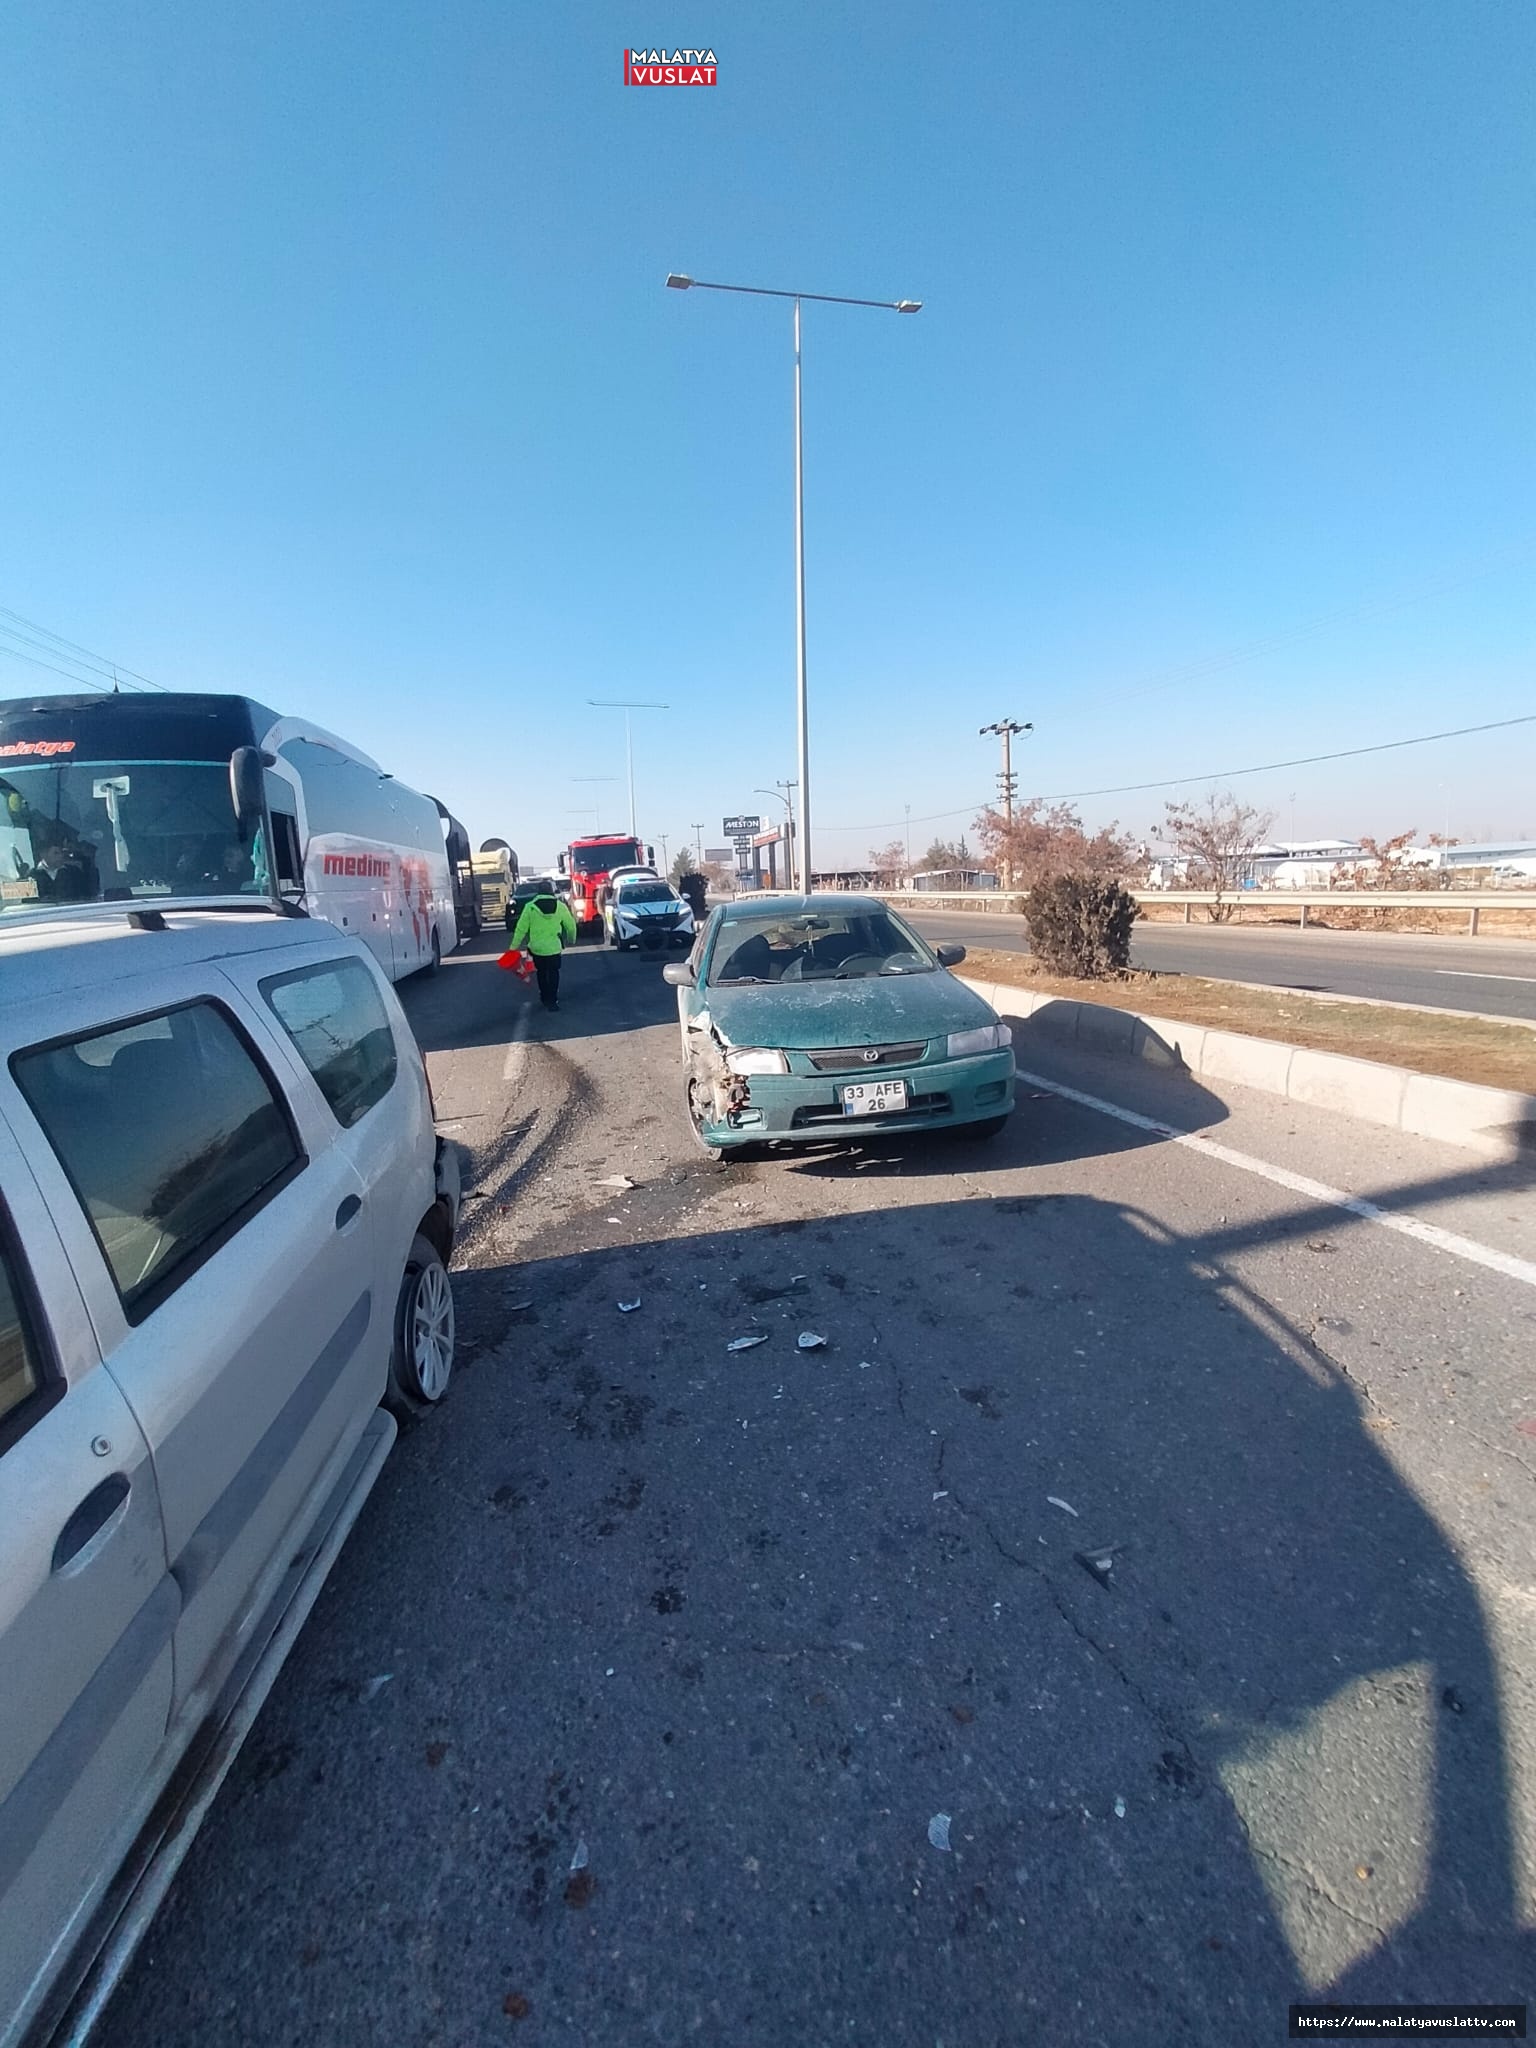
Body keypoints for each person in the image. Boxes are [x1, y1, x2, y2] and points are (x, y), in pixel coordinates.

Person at [508, 883, 577, 1011]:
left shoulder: (530, 908)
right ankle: (553, 998)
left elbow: (520, 929)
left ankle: (544, 996)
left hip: (537, 948)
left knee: (541, 972)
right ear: (551, 892)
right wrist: (571, 939)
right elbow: (571, 925)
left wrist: (513, 948)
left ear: (538, 892)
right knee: (554, 972)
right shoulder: (560, 906)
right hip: (554, 948)